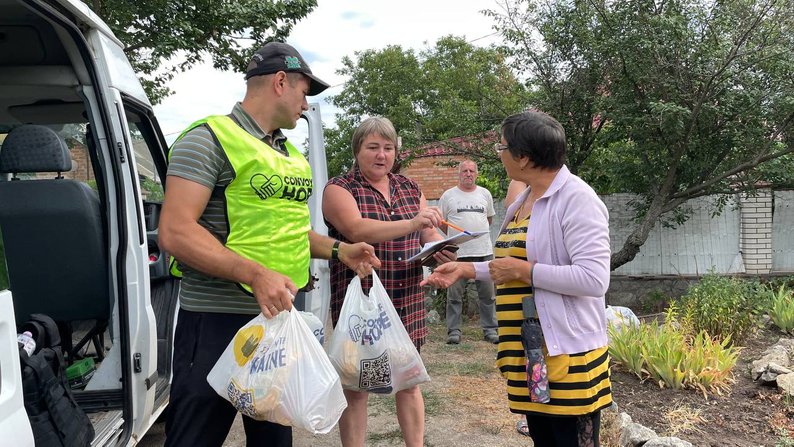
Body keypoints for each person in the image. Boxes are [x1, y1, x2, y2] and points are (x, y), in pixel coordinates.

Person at [158, 42, 380, 447]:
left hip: (278, 324)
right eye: (303, 92)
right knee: (194, 438)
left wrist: (339, 250)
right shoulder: (208, 139)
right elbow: (175, 231)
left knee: (274, 441)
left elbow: (287, 231)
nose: (306, 104)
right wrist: (255, 273)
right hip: (216, 321)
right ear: (281, 82)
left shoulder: (290, 155)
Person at [422, 111, 612, 446]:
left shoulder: (577, 200)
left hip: (565, 351)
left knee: (569, 441)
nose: (499, 152)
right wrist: (467, 269)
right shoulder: (524, 201)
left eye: (503, 146)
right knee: (545, 440)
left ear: (523, 157)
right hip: (531, 350)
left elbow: (594, 279)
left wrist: (526, 272)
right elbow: (509, 265)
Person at [322, 116, 455, 447]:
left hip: (406, 299)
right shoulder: (339, 188)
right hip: (362, 305)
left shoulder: (409, 187)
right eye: (373, 147)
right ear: (357, 150)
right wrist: (412, 224)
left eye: (388, 148)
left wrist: (440, 251)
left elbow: (428, 230)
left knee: (409, 382)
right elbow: (356, 229)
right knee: (356, 387)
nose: (381, 155)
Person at [438, 160, 498, 344]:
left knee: (488, 295)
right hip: (458, 254)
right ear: (459, 174)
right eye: (464, 170)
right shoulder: (448, 196)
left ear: (477, 174)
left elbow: (488, 219)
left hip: (484, 252)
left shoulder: (485, 194)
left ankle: (490, 330)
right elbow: (441, 222)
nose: (468, 174)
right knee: (454, 295)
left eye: (472, 171)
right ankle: (453, 332)